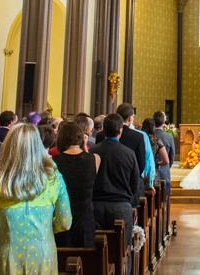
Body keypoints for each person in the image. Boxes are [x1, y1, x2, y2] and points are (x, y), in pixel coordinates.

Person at [0, 123, 72, 274]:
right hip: (43, 257)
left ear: (9, 146)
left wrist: (4, 229)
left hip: (8, 258)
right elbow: (65, 223)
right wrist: (46, 227)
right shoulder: (53, 179)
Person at [91, 113, 140, 272]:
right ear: (120, 131)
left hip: (95, 206)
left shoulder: (93, 151)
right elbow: (135, 183)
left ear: (103, 130)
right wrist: (128, 201)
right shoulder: (128, 153)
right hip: (121, 206)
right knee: (123, 249)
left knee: (97, 248)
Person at [54, 120, 99, 249]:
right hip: (85, 220)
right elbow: (88, 157)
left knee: (63, 260)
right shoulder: (94, 159)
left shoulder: (54, 162)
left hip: (62, 217)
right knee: (85, 262)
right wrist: (84, 146)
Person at [153, 111, 175, 197]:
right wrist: (166, 166)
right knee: (164, 200)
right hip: (164, 173)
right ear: (163, 122)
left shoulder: (148, 135)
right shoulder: (169, 137)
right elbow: (171, 156)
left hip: (151, 175)